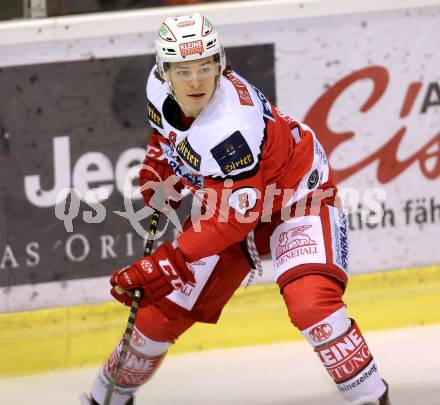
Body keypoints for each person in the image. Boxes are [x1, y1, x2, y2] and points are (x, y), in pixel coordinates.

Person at [81, 12, 390, 405]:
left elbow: (232, 221)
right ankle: (103, 399)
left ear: (219, 62)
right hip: (230, 205)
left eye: (205, 67)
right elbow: (164, 133)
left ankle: (372, 399)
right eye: (183, 70)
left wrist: (169, 259)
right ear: (163, 72)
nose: (195, 80)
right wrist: (160, 164)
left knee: (311, 303)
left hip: (294, 200)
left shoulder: (231, 127)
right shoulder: (156, 89)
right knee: (157, 315)